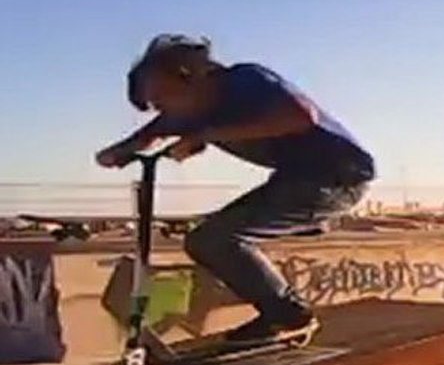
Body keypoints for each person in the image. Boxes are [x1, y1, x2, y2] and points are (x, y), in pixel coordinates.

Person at [96, 34, 375, 344]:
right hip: (295, 178)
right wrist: (115, 153)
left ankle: (289, 316)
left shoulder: (246, 80)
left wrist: (206, 134)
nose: (162, 109)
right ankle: (281, 313)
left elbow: (299, 116)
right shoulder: (191, 110)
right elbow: (149, 134)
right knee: (203, 241)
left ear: (190, 75)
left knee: (219, 238)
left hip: (338, 176)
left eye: (163, 97)